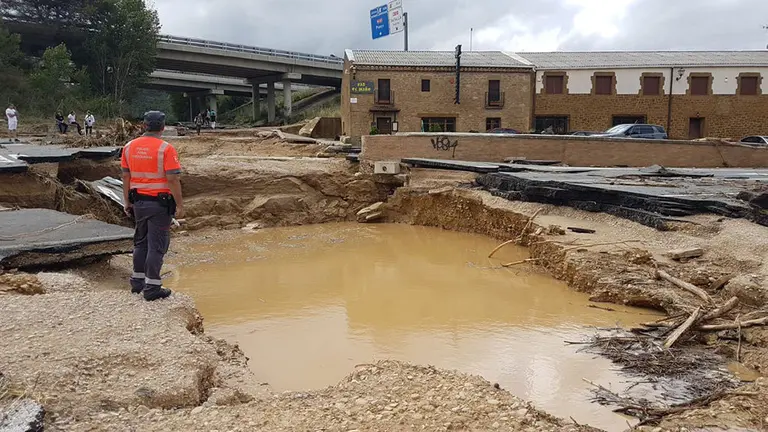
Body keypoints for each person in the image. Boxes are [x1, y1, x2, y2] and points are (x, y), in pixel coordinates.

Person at [121, 111, 184, 301]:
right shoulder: (166, 148)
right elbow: (172, 179)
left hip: (138, 202)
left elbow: (125, 176)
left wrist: (127, 201)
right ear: (163, 127)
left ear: (144, 125)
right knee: (157, 246)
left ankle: (138, 283)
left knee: (141, 242)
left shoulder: (129, 147)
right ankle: (152, 288)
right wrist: (179, 204)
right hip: (160, 204)